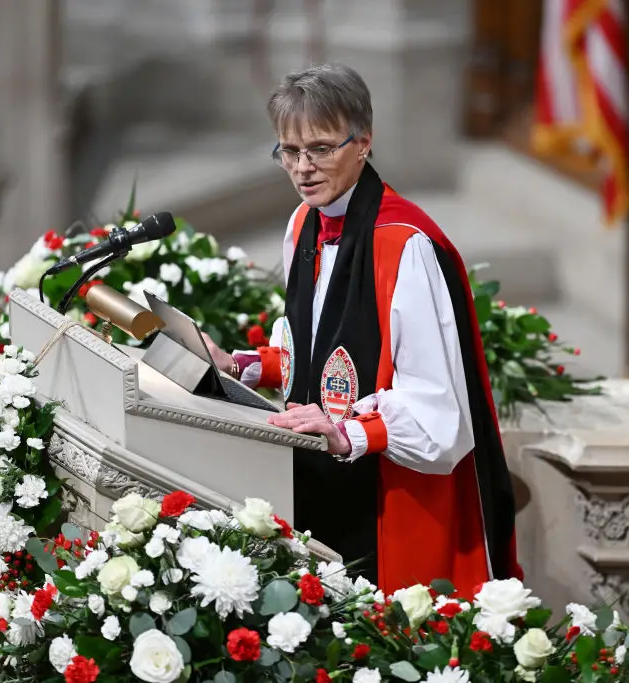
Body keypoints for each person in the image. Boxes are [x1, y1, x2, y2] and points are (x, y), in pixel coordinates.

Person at [202, 63, 522, 592]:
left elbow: (439, 416)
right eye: (289, 151)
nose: (303, 168)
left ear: (364, 143)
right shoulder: (304, 223)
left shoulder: (406, 247)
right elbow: (320, 354)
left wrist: (346, 432)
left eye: (321, 149)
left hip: (391, 503)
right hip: (314, 484)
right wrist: (241, 365)